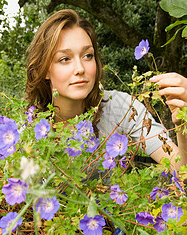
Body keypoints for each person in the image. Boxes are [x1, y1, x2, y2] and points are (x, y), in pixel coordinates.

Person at [25, 9, 187, 174]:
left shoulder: (120, 107)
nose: (80, 68)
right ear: (44, 69)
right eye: (65, 59)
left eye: (87, 55)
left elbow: (182, 170)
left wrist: (183, 122)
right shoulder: (26, 131)